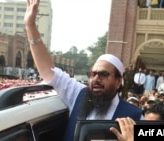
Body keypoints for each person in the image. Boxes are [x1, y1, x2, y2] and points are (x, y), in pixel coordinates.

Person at [24, 1, 143, 141]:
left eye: (104, 74)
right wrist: (30, 25)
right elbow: (48, 71)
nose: (96, 79)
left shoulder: (135, 117)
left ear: (118, 82)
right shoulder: (78, 95)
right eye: (92, 74)